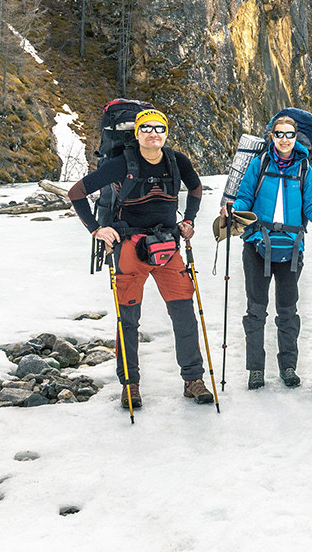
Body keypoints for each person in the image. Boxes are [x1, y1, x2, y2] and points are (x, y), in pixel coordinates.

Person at [68, 107, 212, 409]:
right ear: (137, 133)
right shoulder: (123, 164)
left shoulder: (177, 162)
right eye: (147, 128)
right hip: (130, 247)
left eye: (159, 128)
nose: (153, 134)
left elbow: (196, 188)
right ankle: (130, 385)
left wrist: (190, 220)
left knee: (184, 313)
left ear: (166, 133)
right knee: (128, 320)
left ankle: (193, 380)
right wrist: (97, 229)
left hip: (168, 245)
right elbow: (77, 193)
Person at [230, 112, 312, 389]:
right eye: (279, 134)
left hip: (292, 248)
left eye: (290, 135)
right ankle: (256, 369)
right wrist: (234, 212)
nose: (284, 139)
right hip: (256, 244)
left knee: (287, 311)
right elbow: (245, 196)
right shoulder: (259, 164)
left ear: (296, 138)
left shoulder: (304, 169)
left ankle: (288, 367)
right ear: (272, 135)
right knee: (256, 310)